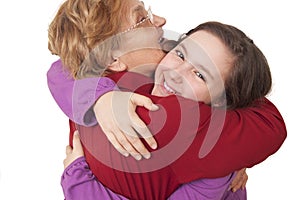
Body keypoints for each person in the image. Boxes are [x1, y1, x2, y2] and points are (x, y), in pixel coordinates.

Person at [47, 0, 286, 199]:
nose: (161, 21)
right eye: (143, 19)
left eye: (200, 74)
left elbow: (59, 69)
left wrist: (76, 178)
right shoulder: (163, 115)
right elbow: (271, 125)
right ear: (113, 59)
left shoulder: (86, 84)